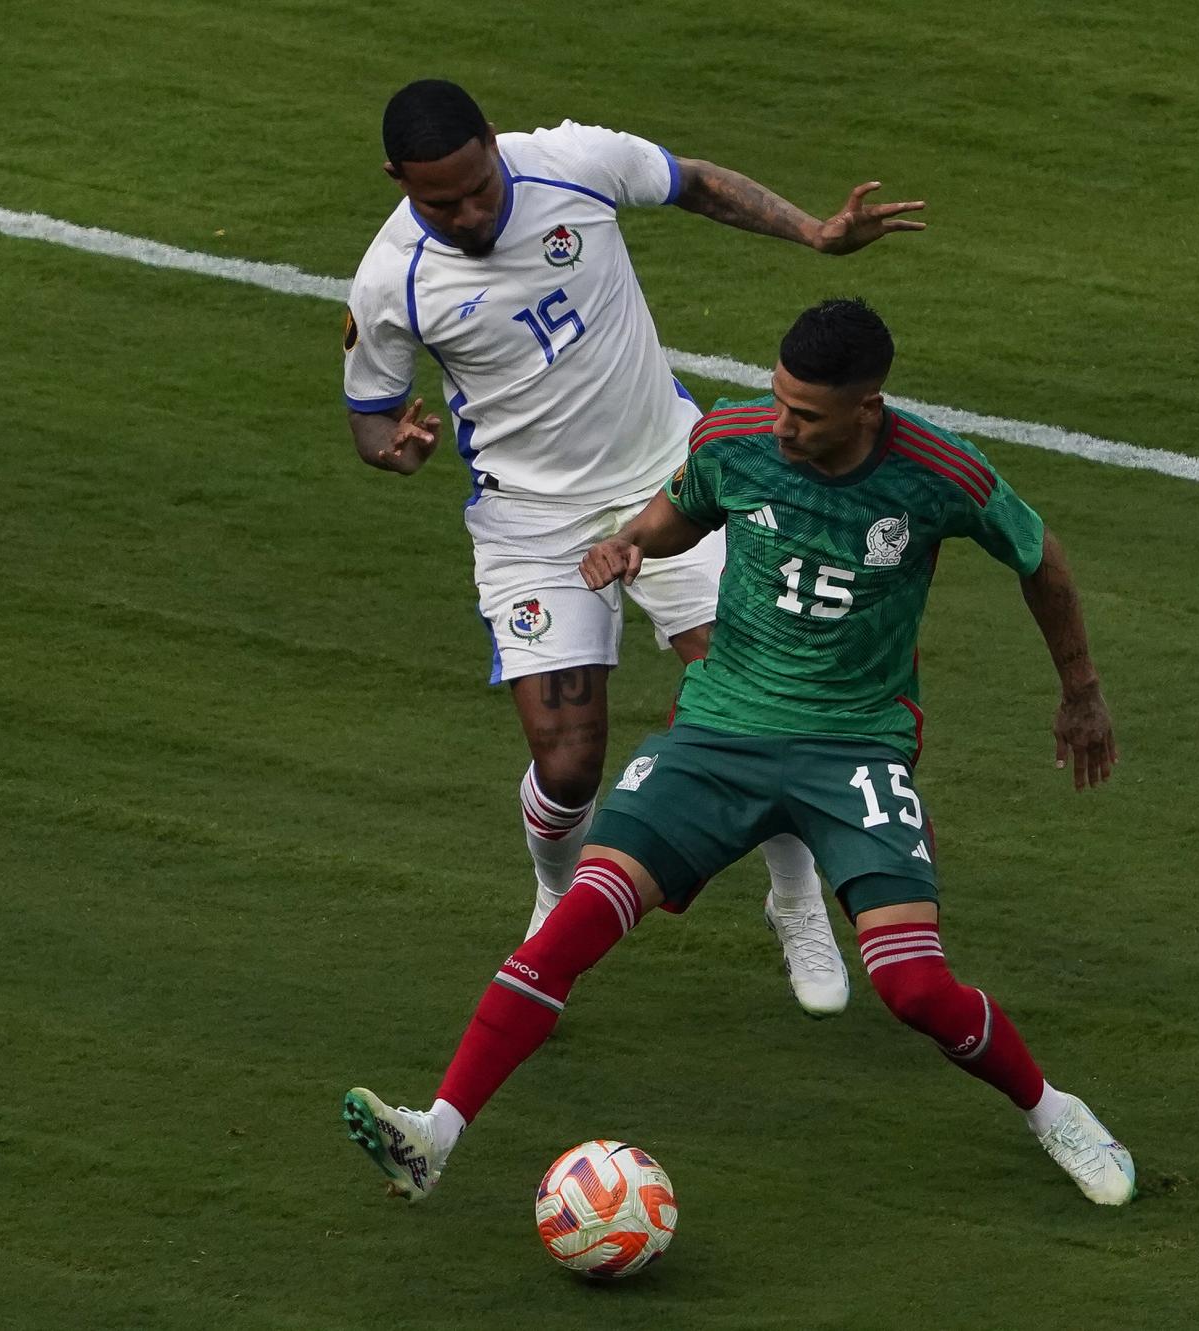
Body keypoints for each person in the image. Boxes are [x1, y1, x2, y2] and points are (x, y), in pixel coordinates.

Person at [341, 299, 1136, 1209]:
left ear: (866, 407)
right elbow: (682, 509)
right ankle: (434, 1134)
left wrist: (1081, 693)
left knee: (914, 986)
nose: (783, 422)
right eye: (779, 397)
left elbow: (1040, 559)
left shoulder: (936, 472)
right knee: (572, 927)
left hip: (854, 745)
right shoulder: (735, 437)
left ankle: (1052, 1109)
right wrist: (628, 545)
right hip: (720, 733)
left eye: (806, 412)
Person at [343, 80, 928, 1015]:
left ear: (493, 144)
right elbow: (372, 417)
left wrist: (815, 234)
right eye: (437, 202)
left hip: (669, 477)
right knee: (570, 762)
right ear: (395, 181)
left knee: (762, 695)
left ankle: (794, 896)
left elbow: (691, 181)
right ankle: (552, 888)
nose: (467, 214)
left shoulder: (572, 164)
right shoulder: (391, 281)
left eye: (477, 187)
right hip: (533, 523)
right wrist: (398, 453)